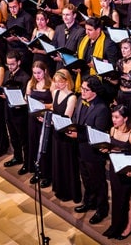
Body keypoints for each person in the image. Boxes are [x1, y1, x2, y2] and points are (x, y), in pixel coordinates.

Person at [67, 76, 111, 225]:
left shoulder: (102, 109)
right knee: (85, 178)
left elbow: (97, 132)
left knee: (98, 181)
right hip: (80, 149)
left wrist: (77, 135)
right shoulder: (80, 99)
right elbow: (76, 119)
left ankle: (101, 209)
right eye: (82, 88)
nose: (82, 91)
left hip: (93, 152)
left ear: (95, 92)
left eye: (86, 89)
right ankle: (89, 202)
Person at [101, 105, 131, 240]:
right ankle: (116, 225)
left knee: (128, 200)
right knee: (117, 198)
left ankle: (128, 226)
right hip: (114, 169)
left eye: (117, 117)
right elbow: (112, 149)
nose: (113, 120)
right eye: (112, 117)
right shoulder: (112, 130)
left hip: (127, 172)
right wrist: (107, 150)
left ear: (125, 118)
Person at [51, 69, 81, 203]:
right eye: (56, 82)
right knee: (58, 161)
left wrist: (52, 120)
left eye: (60, 82)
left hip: (66, 134)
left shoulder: (72, 97)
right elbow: (53, 108)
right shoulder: (55, 92)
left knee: (67, 163)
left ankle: (70, 192)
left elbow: (67, 116)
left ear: (67, 81)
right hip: (56, 132)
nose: (57, 85)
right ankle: (60, 189)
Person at [75, 17, 120, 96]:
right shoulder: (83, 40)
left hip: (100, 85)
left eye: (90, 30)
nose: (87, 32)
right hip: (84, 81)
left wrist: (97, 66)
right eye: (86, 29)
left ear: (98, 30)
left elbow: (114, 67)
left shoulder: (109, 44)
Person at [26, 60, 53, 188]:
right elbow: (27, 99)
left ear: (45, 71)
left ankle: (47, 174)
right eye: (35, 73)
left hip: (45, 118)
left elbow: (55, 104)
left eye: (39, 73)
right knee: (34, 143)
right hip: (33, 118)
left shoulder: (51, 84)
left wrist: (43, 105)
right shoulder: (31, 83)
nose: (37, 76)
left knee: (44, 147)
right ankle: (37, 172)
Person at [2, 51, 30, 171]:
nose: (10, 67)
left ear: (19, 62)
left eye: (12, 64)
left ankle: (27, 163)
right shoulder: (7, 73)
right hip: (8, 110)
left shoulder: (25, 77)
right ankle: (17, 157)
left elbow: (25, 98)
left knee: (23, 139)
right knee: (13, 136)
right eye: (8, 64)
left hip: (20, 113)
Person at [4, 0, 34, 75]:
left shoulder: (27, 18)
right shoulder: (10, 17)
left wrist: (16, 38)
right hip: (10, 50)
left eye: (14, 7)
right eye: (10, 7)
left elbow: (30, 37)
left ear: (20, 5)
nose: (12, 10)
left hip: (22, 53)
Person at [51, 4, 85, 70]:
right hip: (59, 68)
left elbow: (79, 53)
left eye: (67, 15)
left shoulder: (81, 31)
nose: (65, 17)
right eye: (63, 14)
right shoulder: (58, 28)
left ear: (74, 15)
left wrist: (63, 59)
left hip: (71, 69)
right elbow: (53, 45)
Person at [29, 10, 55, 75]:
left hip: (46, 60)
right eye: (37, 19)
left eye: (42, 20)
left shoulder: (51, 32)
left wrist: (38, 51)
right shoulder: (35, 30)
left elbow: (51, 51)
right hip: (36, 58)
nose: (39, 22)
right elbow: (31, 44)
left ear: (47, 20)